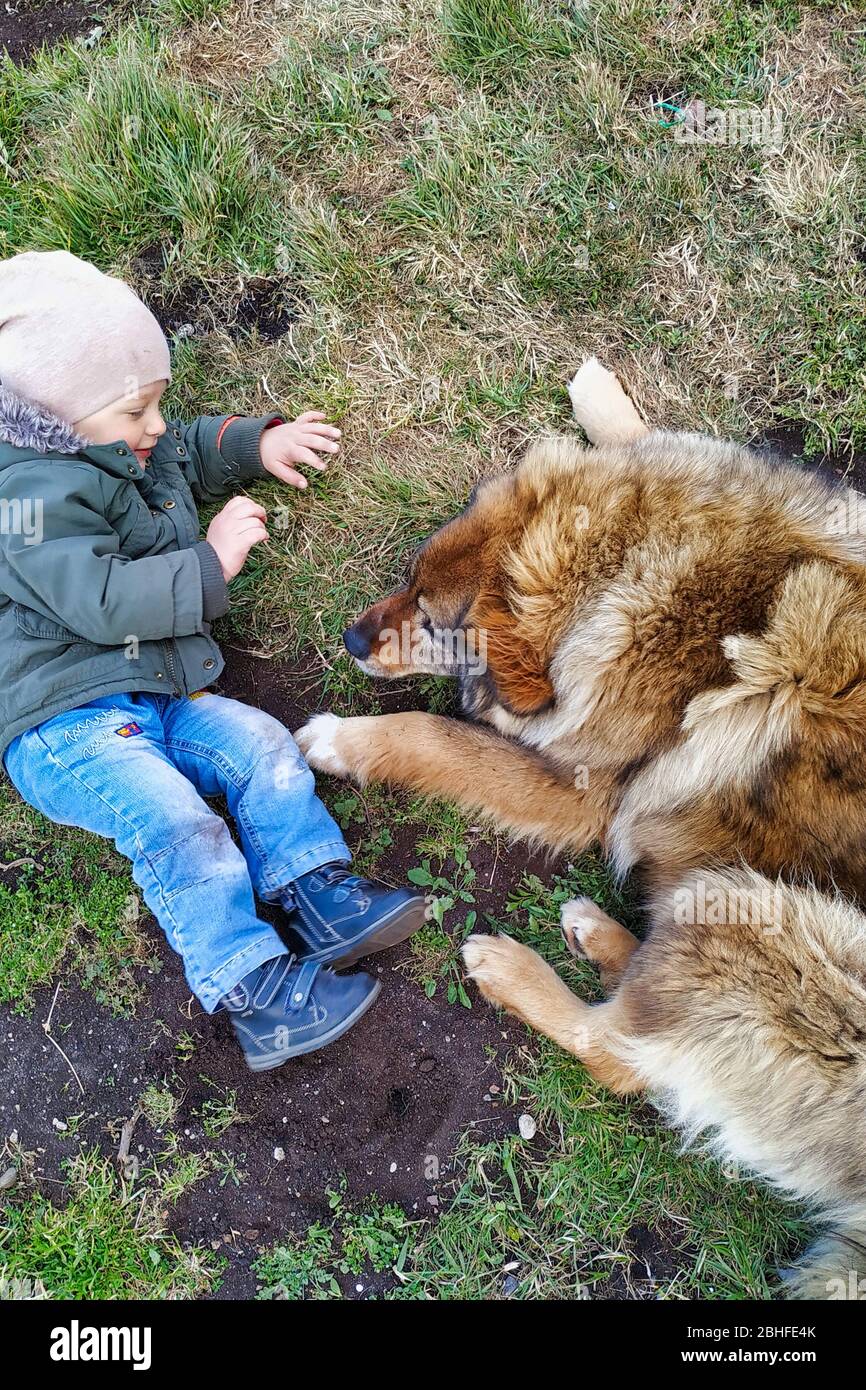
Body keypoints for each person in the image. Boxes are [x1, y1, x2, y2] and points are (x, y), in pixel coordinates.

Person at [0, 250, 425, 1071]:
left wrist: (256, 443)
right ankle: (251, 985)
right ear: (58, 418)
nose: (155, 425)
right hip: (65, 723)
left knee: (263, 745)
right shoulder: (22, 503)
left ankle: (315, 888)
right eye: (137, 411)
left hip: (155, 691)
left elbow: (184, 454)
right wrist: (210, 562)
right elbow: (96, 599)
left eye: (156, 401)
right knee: (174, 822)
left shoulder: (116, 441)